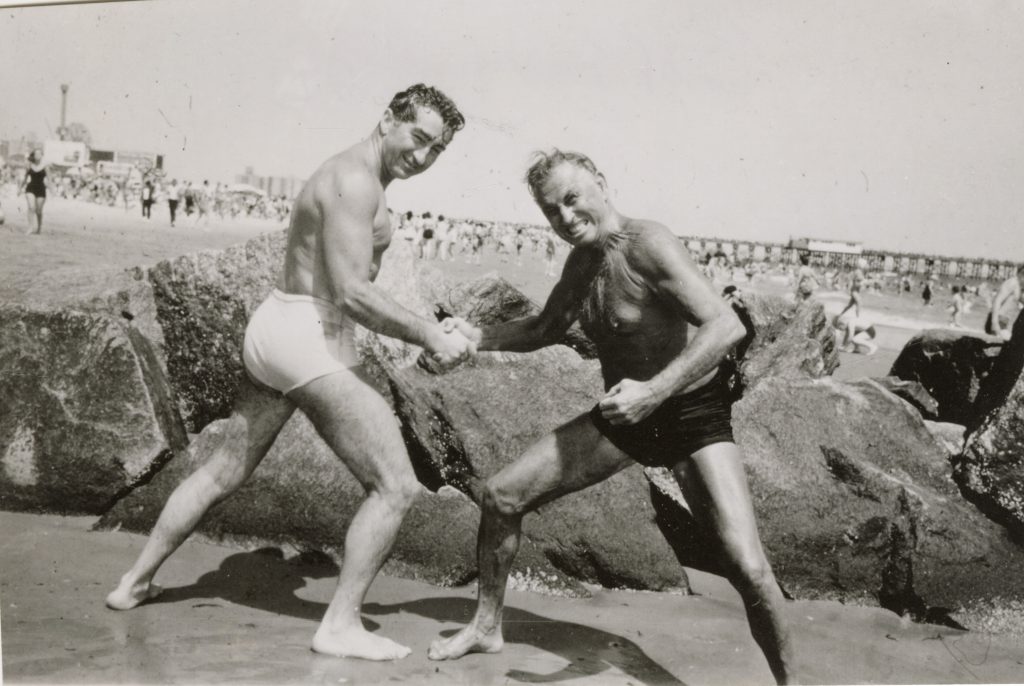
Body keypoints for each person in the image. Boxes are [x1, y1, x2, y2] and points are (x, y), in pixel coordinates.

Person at [106, 84, 475, 661]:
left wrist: (422, 333)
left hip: (277, 326)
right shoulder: (354, 180)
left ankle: (132, 582)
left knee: (223, 468)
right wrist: (429, 333)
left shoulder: (359, 178)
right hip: (311, 336)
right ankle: (340, 626)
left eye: (436, 150)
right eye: (418, 138)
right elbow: (352, 292)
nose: (423, 156)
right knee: (395, 486)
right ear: (388, 118)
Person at [427, 149, 796, 684]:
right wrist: (476, 338)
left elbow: (725, 326)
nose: (565, 217)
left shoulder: (649, 244)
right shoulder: (581, 262)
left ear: (600, 182)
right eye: (552, 211)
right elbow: (544, 328)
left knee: (749, 566)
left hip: (690, 412)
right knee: (502, 496)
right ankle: (486, 626)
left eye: (573, 199)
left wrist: (654, 391)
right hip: (627, 416)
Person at [985, 265, 1024, 340]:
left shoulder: (1019, 287)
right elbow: (997, 301)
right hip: (998, 320)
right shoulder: (1012, 282)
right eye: (1023, 273)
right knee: (1011, 345)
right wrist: (994, 323)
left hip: (1004, 322)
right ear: (1019, 274)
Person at [20, 149, 48, 234]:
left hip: (41, 189)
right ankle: (30, 227)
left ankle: (39, 227)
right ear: (34, 156)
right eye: (36, 154)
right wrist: (19, 188)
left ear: (41, 155)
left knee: (38, 211)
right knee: (31, 207)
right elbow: (25, 178)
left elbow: (50, 179)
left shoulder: (45, 166)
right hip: (30, 188)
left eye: (40, 154)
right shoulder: (29, 166)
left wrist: (53, 190)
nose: (38, 155)